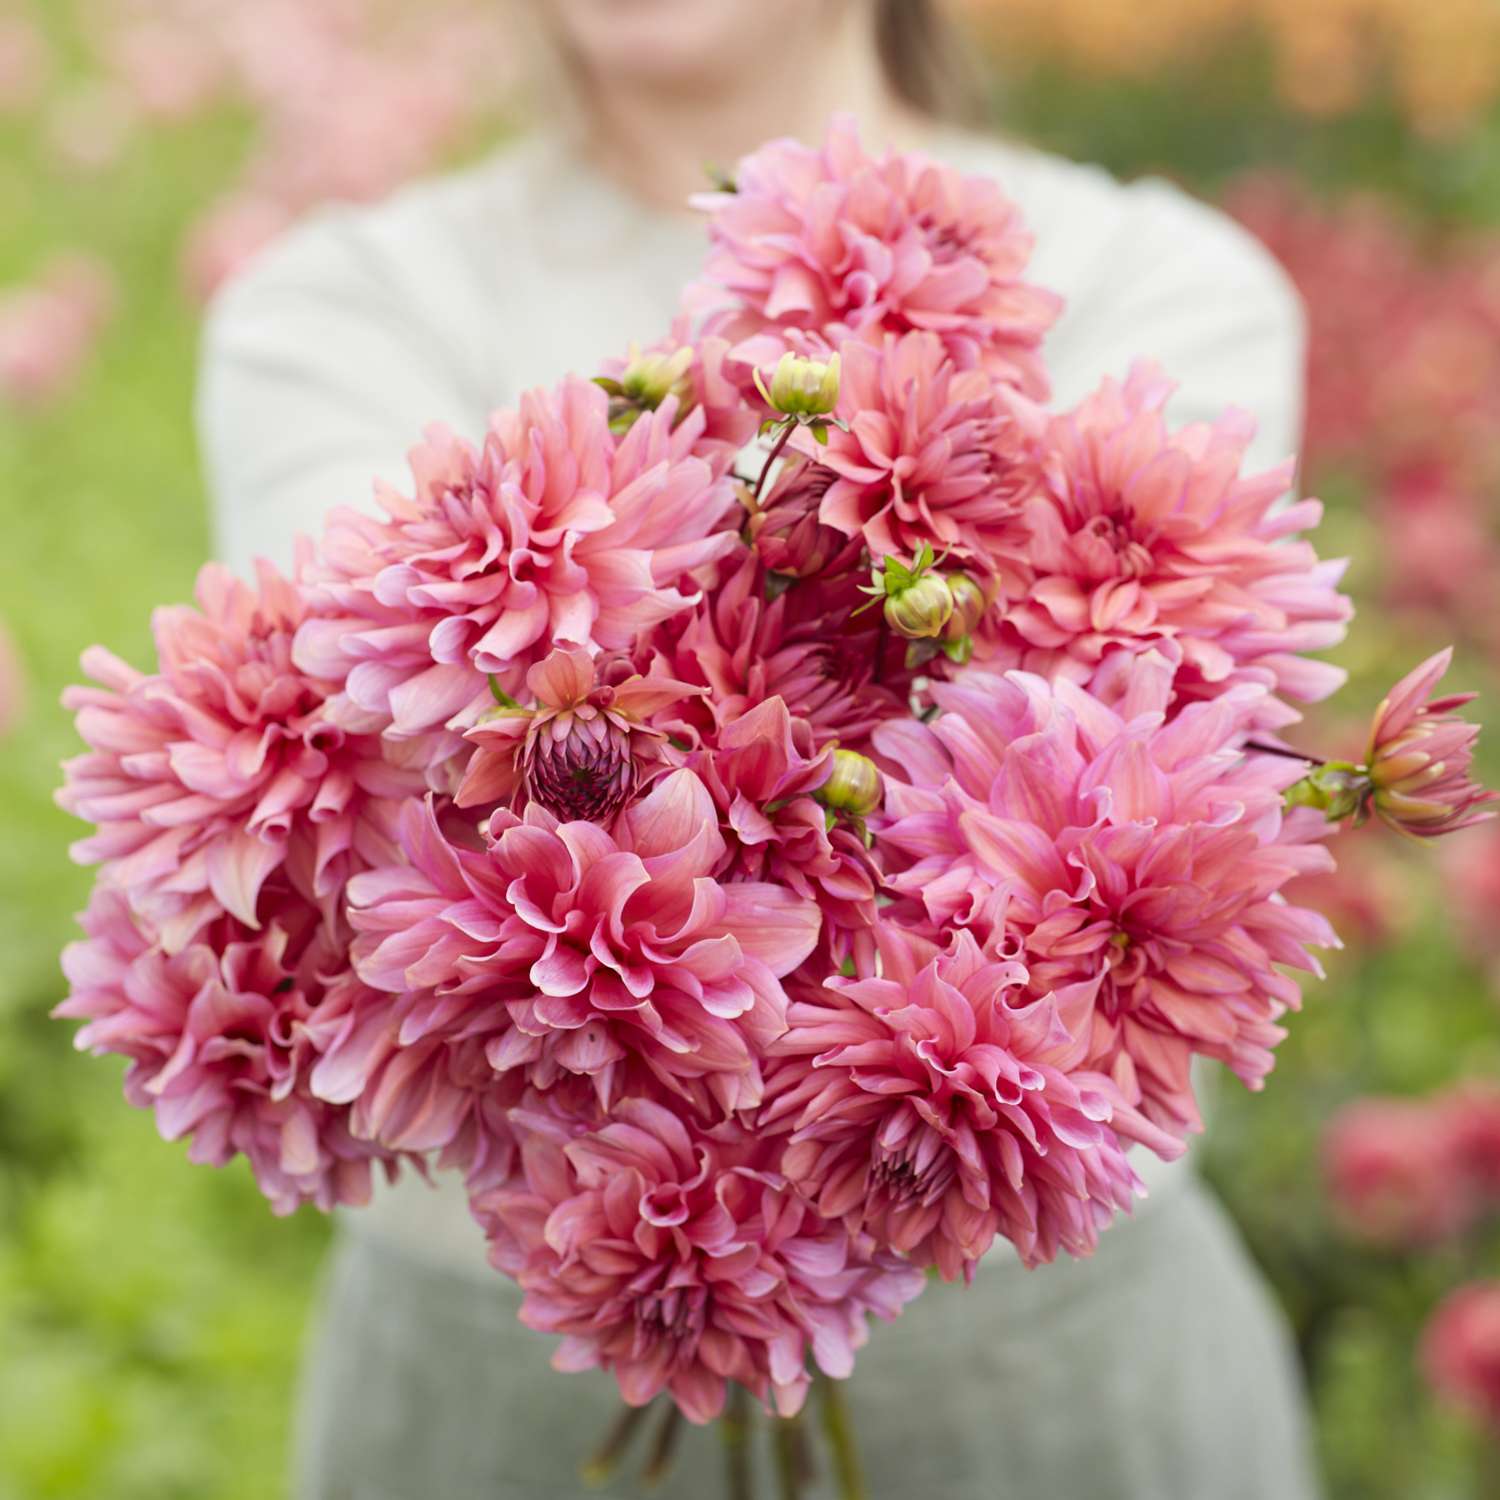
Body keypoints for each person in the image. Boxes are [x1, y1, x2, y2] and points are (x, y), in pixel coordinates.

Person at [198, 2, 1322, 1495]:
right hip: (491, 1379)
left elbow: (1154, 735)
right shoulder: (332, 303)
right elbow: (377, 738)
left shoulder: (1153, 275)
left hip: (1063, 1385)